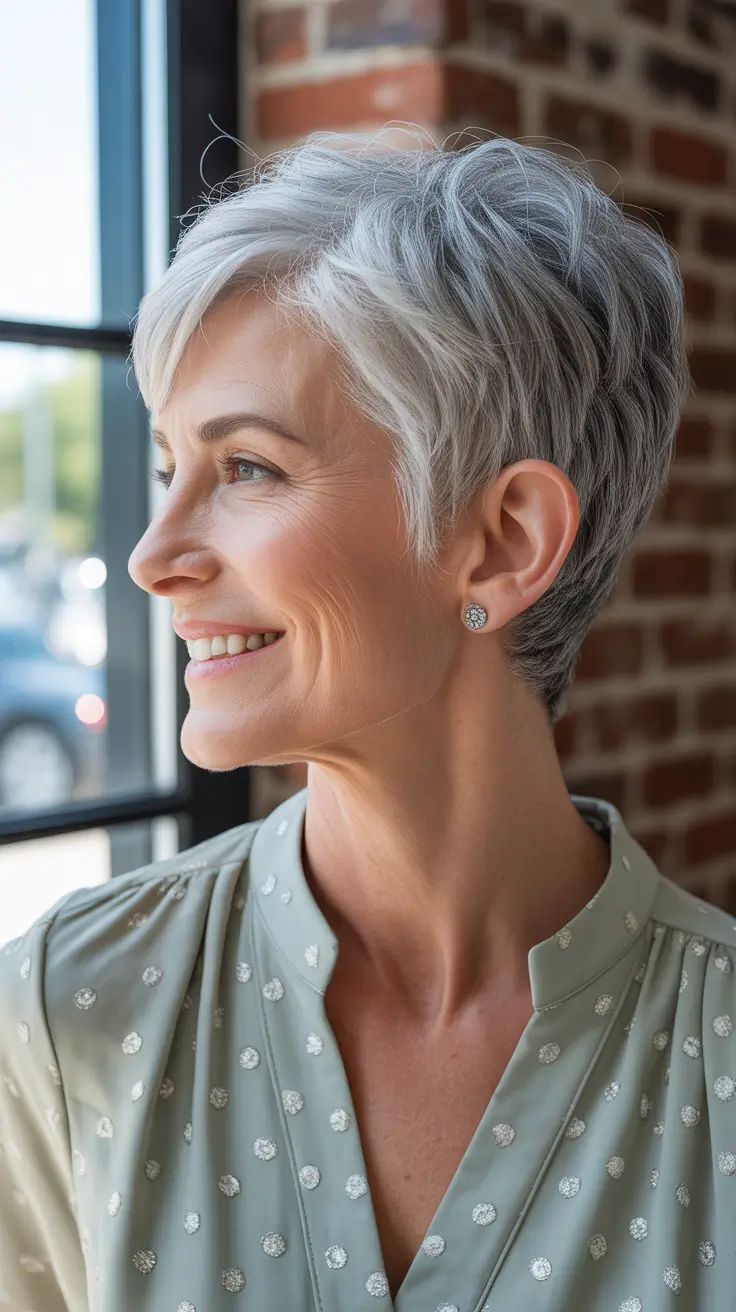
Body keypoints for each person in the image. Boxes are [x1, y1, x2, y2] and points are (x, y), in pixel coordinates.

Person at [1, 126, 731, 1312]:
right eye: (166, 469)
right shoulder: (68, 1010)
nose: (151, 556)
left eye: (245, 469)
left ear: (502, 541)